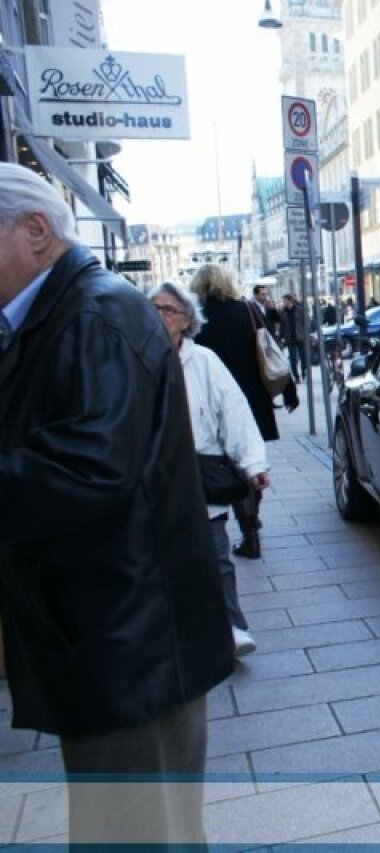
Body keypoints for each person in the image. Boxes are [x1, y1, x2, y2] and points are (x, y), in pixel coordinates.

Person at [0, 161, 232, 843]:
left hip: (127, 642)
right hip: (112, 637)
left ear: (35, 230)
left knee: (132, 832)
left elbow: (91, 465)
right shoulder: (65, 312)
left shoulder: (95, 313)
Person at [150, 282, 269, 657]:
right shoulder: (132, 356)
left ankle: (231, 626)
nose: (158, 316)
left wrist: (253, 464)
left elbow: (232, 412)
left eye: (167, 309)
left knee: (216, 558)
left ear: (186, 319)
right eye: (152, 308)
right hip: (151, 476)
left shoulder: (203, 361)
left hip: (199, 471)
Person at [191, 263, 295, 560]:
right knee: (249, 463)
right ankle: (251, 524)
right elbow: (270, 349)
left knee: (228, 465)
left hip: (212, 402)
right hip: (252, 398)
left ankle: (241, 530)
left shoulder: (196, 317)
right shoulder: (247, 310)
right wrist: (289, 391)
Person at [279, 293, 308, 382]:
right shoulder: (283, 312)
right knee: (293, 358)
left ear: (289, 301)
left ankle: (304, 371)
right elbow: (282, 326)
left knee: (303, 356)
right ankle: (296, 376)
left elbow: (306, 322)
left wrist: (305, 333)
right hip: (290, 338)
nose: (283, 302)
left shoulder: (299, 310)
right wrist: (281, 337)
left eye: (284, 300)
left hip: (300, 337)